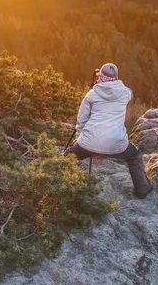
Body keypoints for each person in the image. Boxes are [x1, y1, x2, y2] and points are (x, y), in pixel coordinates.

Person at [64, 63, 153, 199]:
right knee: (134, 155)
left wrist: (78, 139)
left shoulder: (91, 95)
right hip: (116, 144)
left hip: (88, 143)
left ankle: (56, 182)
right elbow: (130, 93)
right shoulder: (125, 93)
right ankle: (142, 189)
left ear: (100, 77)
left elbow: (81, 120)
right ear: (116, 78)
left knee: (68, 157)